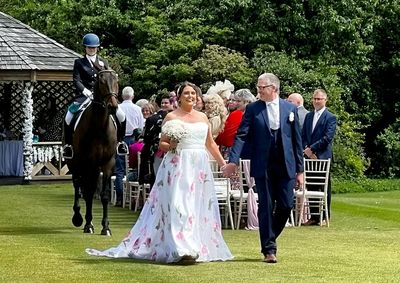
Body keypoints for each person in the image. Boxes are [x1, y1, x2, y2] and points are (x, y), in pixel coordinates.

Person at [86, 81, 234, 263]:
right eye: (186, 93)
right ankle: (181, 247)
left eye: (193, 94)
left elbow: (210, 143)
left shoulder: (203, 118)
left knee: (195, 205)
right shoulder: (171, 118)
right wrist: (171, 145)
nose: (190, 97)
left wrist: (223, 163)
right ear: (179, 97)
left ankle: (195, 244)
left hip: (198, 167)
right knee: (179, 205)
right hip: (178, 164)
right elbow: (162, 144)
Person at [223, 73, 304, 264]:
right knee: (266, 206)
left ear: (273, 88)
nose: (258, 91)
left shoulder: (290, 108)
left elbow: (297, 141)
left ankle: (270, 236)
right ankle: (269, 249)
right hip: (263, 163)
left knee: (286, 205)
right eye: (258, 87)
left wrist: (300, 171)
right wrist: (233, 160)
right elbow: (241, 135)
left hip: (286, 163)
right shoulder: (253, 109)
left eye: (262, 87)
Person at [62, 33, 128, 159]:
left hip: (102, 97)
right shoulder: (79, 62)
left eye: (94, 47)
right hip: (84, 95)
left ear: (97, 48)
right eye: (89, 47)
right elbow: (76, 80)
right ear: (85, 48)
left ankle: (121, 142)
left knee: (121, 115)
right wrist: (85, 91)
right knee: (69, 116)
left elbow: (108, 79)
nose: (92, 50)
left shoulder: (103, 62)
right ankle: (69, 146)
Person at [301, 89, 337, 226]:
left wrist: (313, 149)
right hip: (309, 156)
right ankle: (314, 216)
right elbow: (303, 134)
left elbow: (327, 137)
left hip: (322, 156)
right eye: (315, 99)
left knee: (323, 186)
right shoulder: (309, 116)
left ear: (325, 100)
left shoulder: (330, 117)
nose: (316, 101)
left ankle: (324, 216)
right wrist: (306, 149)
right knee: (311, 185)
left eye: (319, 99)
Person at [114, 86, 145, 206]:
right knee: (134, 167)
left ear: (122, 96)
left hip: (120, 140)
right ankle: (133, 198)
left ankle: (121, 198)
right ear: (133, 96)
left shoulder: (118, 108)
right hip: (133, 140)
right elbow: (141, 127)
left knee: (120, 169)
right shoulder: (137, 109)